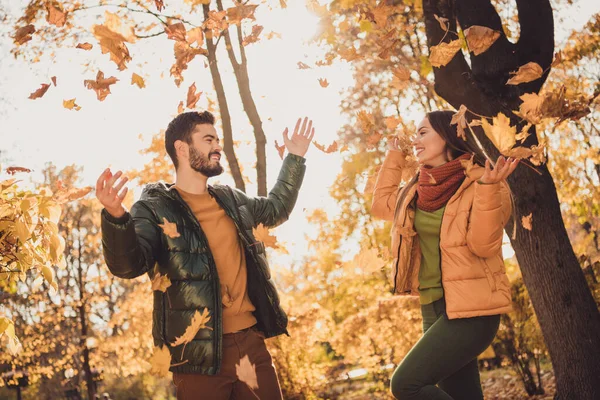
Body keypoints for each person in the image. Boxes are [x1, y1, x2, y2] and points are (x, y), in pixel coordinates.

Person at [96, 111, 315, 400]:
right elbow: (128, 265)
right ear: (182, 148)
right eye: (208, 139)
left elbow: (276, 209)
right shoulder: (153, 209)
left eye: (218, 140)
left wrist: (295, 158)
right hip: (197, 357)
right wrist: (116, 217)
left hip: (250, 343)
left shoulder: (232, 200)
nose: (217, 147)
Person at [371, 110, 519, 400]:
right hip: (433, 306)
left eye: (423, 132)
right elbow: (380, 207)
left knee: (405, 384)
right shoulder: (415, 190)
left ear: (448, 136)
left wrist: (489, 189)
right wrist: (393, 158)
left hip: (472, 311)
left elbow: (483, 245)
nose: (416, 140)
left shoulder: (485, 181)